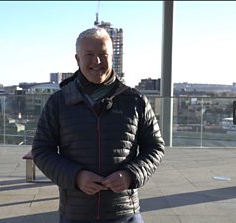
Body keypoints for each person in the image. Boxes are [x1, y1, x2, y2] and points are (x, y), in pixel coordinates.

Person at [32, 27, 165, 223]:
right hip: (75, 213)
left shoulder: (136, 100)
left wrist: (130, 174)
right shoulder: (58, 102)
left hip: (124, 211)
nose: (97, 61)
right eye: (89, 55)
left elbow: (155, 147)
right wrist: (76, 177)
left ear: (112, 56)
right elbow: (41, 151)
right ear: (77, 59)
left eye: (103, 55)